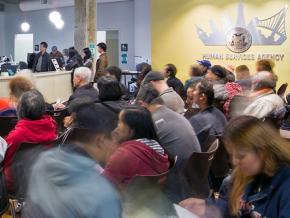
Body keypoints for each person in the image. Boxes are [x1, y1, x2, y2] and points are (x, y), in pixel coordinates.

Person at [22, 100, 122, 218]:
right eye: (116, 138)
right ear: (101, 140)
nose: (117, 146)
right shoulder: (103, 194)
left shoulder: (41, 161)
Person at [137, 83, 201, 202]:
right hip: (192, 178)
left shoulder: (153, 121)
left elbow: (141, 154)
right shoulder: (175, 115)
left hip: (176, 184)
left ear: (142, 104)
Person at [223, 116, 290, 218]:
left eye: (241, 156)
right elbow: (229, 207)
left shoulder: (285, 187)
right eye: (231, 155)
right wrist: (208, 206)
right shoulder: (246, 174)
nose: (234, 162)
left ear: (262, 151)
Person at [103, 106, 170, 190]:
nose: (116, 128)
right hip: (148, 199)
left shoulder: (125, 154)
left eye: (120, 122)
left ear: (132, 129)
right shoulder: (158, 148)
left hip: (123, 200)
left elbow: (102, 185)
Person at [3, 90, 57, 192]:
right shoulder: (52, 126)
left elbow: (5, 161)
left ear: (20, 110)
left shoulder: (16, 136)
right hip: (44, 179)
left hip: (18, 185)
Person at [189, 80, 227, 150]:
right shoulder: (220, 114)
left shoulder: (197, 120)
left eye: (195, 90)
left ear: (202, 97)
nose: (192, 92)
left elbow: (189, 144)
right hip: (219, 157)